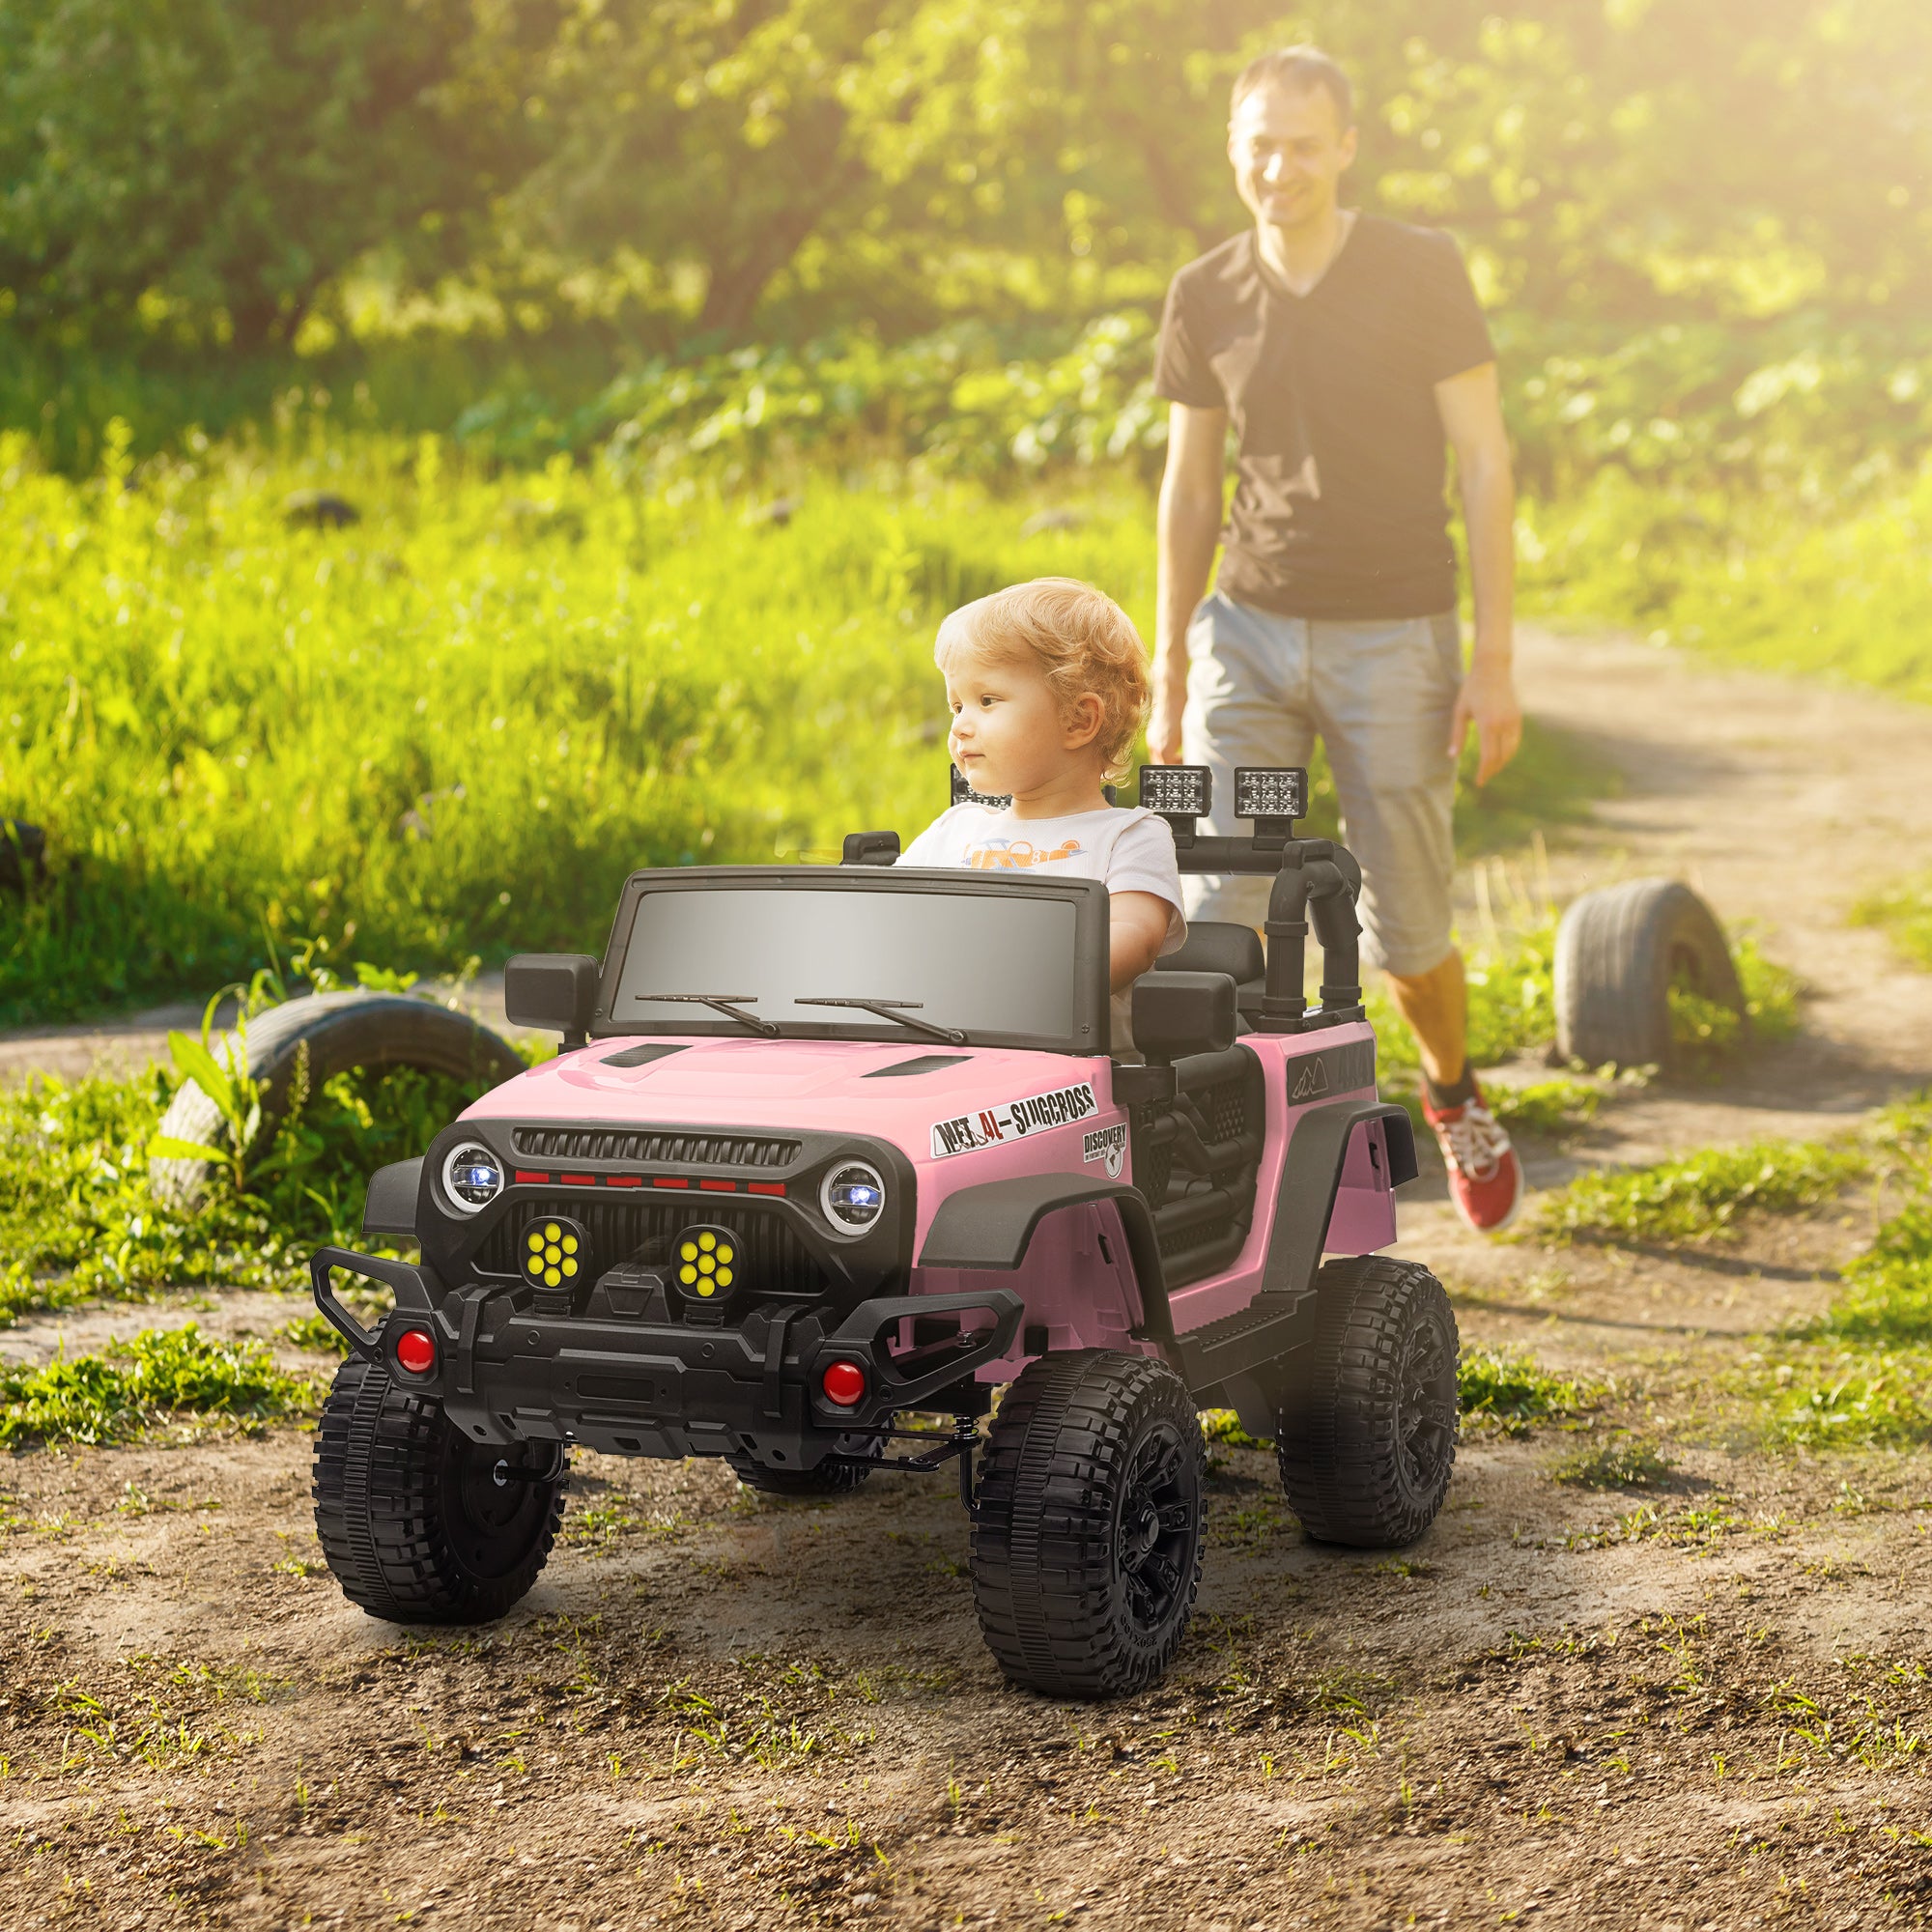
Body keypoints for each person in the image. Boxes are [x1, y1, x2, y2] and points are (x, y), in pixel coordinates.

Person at [1149, 43, 1525, 1232]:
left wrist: (1494, 656)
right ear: (1232, 150)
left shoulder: (1419, 270)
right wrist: (1167, 664)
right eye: (1258, 144)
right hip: (1248, 639)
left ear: (1345, 146)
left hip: (1393, 642)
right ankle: (1224, 1154)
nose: (1279, 166)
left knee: (1405, 923)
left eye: (1303, 143)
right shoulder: (1203, 292)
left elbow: (1483, 457)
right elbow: (1189, 487)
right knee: (1220, 889)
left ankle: (1452, 1091)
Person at [897, 577, 1186, 1054]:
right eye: (956, 704)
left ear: (1078, 720)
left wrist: (1013, 986)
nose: (960, 726)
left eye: (987, 701)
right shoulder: (954, 831)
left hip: (1079, 1083)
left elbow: (1133, 939)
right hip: (939, 1056)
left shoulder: (1129, 837)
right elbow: (886, 921)